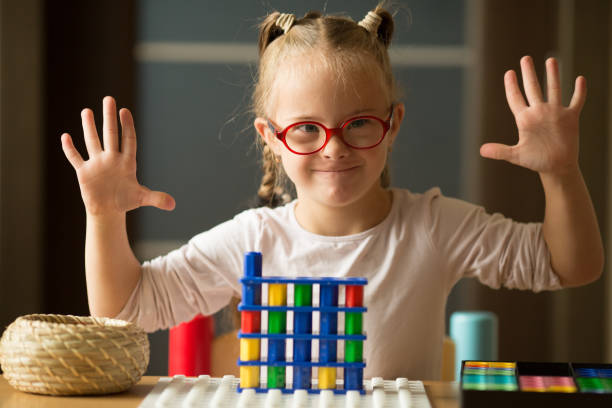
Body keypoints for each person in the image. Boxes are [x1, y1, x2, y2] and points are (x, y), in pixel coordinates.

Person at [60, 5, 603, 380]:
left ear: (393, 125)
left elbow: (570, 265)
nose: (334, 149)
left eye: (359, 124)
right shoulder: (250, 239)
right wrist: (104, 214)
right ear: (272, 139)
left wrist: (560, 173)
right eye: (306, 129)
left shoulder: (436, 227)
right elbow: (126, 310)